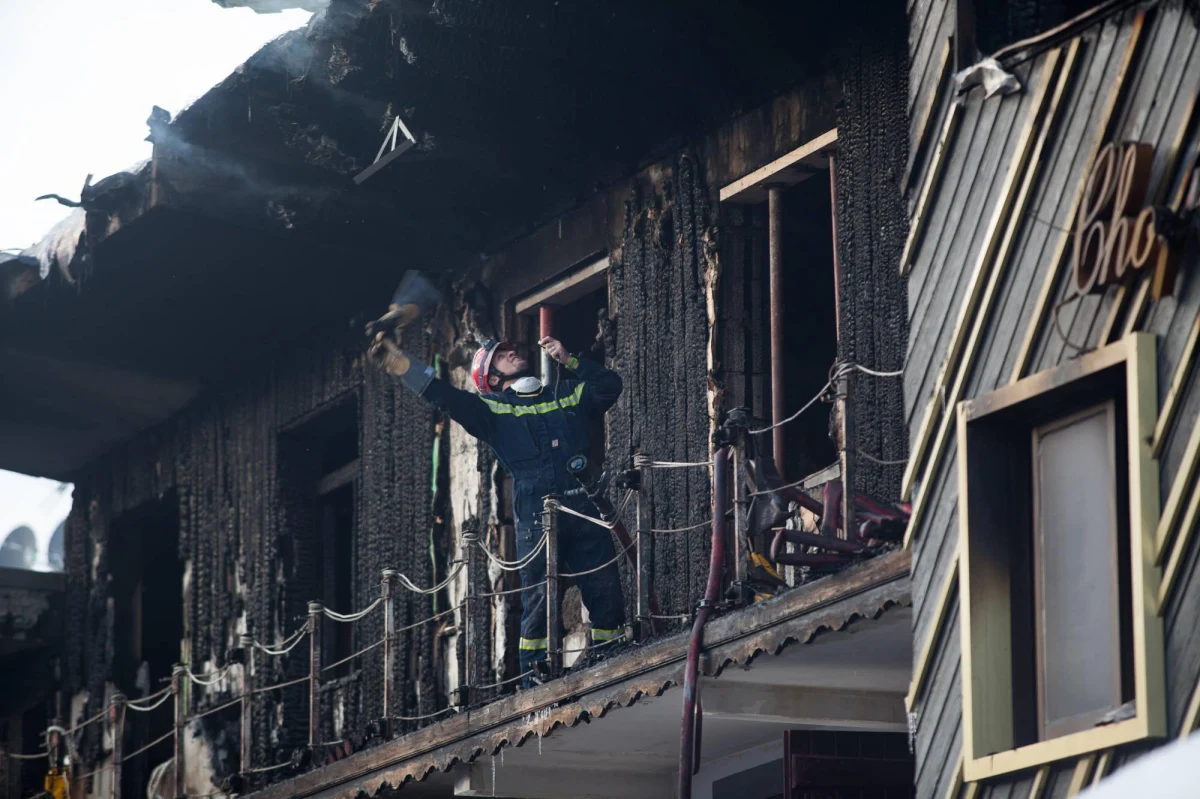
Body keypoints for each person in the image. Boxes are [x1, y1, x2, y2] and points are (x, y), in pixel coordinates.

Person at [368, 331, 626, 681]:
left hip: (584, 507)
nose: (512, 352)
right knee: (539, 599)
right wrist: (399, 363)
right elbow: (442, 395)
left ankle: (611, 655)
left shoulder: (567, 392)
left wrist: (570, 360)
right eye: (502, 355)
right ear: (490, 378)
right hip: (536, 517)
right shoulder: (490, 410)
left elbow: (610, 386)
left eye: (510, 349)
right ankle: (534, 676)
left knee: (605, 587)